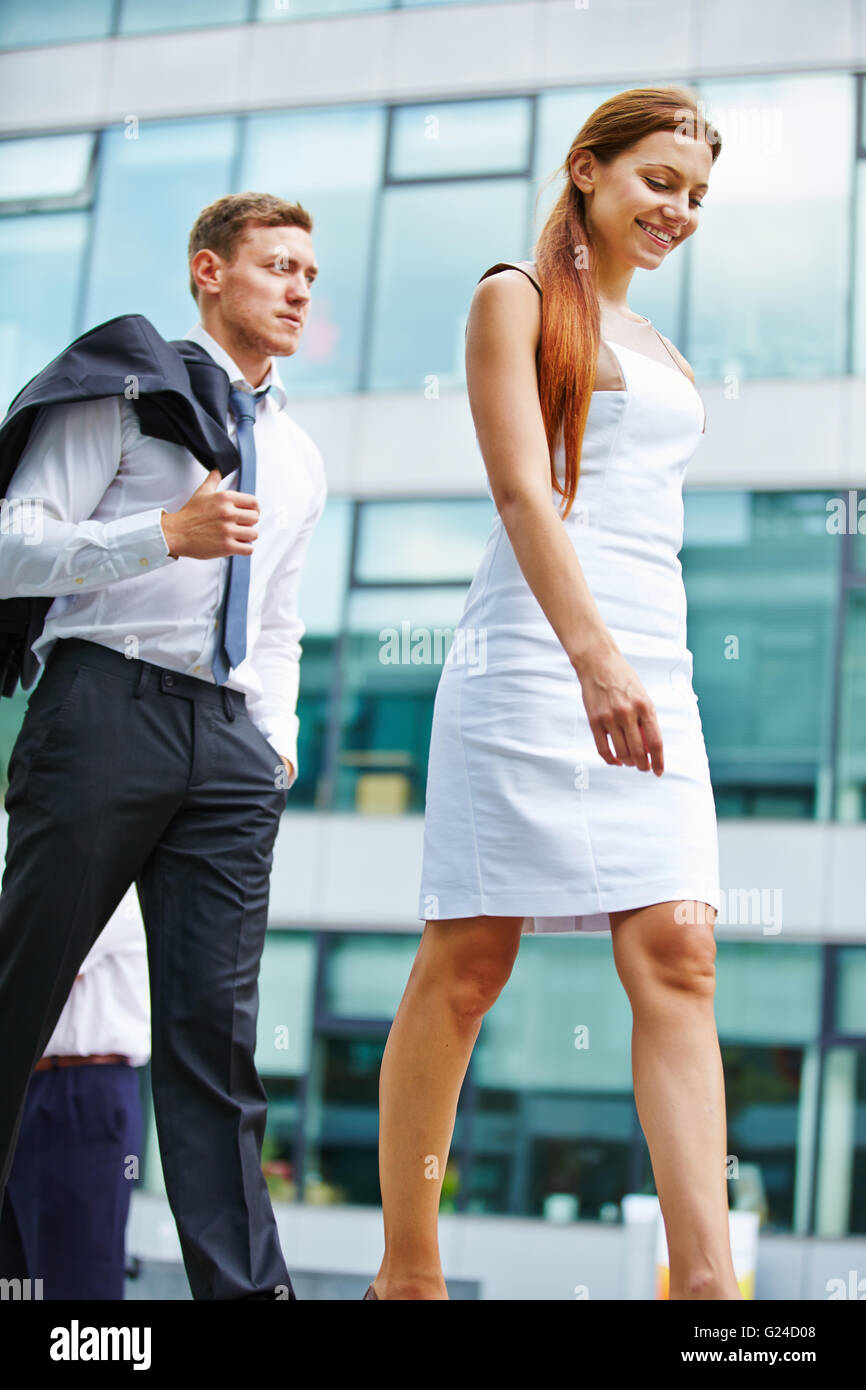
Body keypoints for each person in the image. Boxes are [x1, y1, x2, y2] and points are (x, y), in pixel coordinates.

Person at [364, 86, 742, 1301]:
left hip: (657, 661)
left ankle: (703, 1287)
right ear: (586, 170)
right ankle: (407, 1275)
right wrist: (591, 659)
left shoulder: (668, 353)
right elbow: (526, 493)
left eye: (693, 196)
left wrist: (636, 664)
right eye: (655, 182)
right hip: (530, 655)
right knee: (470, 960)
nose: (675, 211)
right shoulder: (513, 298)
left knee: (681, 951)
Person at [0, 191, 327, 1299]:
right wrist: (162, 535)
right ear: (208, 271)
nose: (296, 289)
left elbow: (277, 620)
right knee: (19, 999)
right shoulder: (122, 390)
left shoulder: (301, 458)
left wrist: (272, 745)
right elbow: (12, 548)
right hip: (102, 712)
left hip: (227, 747)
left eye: (308, 275)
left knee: (214, 1048)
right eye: (276, 265)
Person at [0, 883, 149, 1299]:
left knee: (77, 1281)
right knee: (14, 1279)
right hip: (28, 1087)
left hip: (82, 1090)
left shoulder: (109, 891)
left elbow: (34, 963)